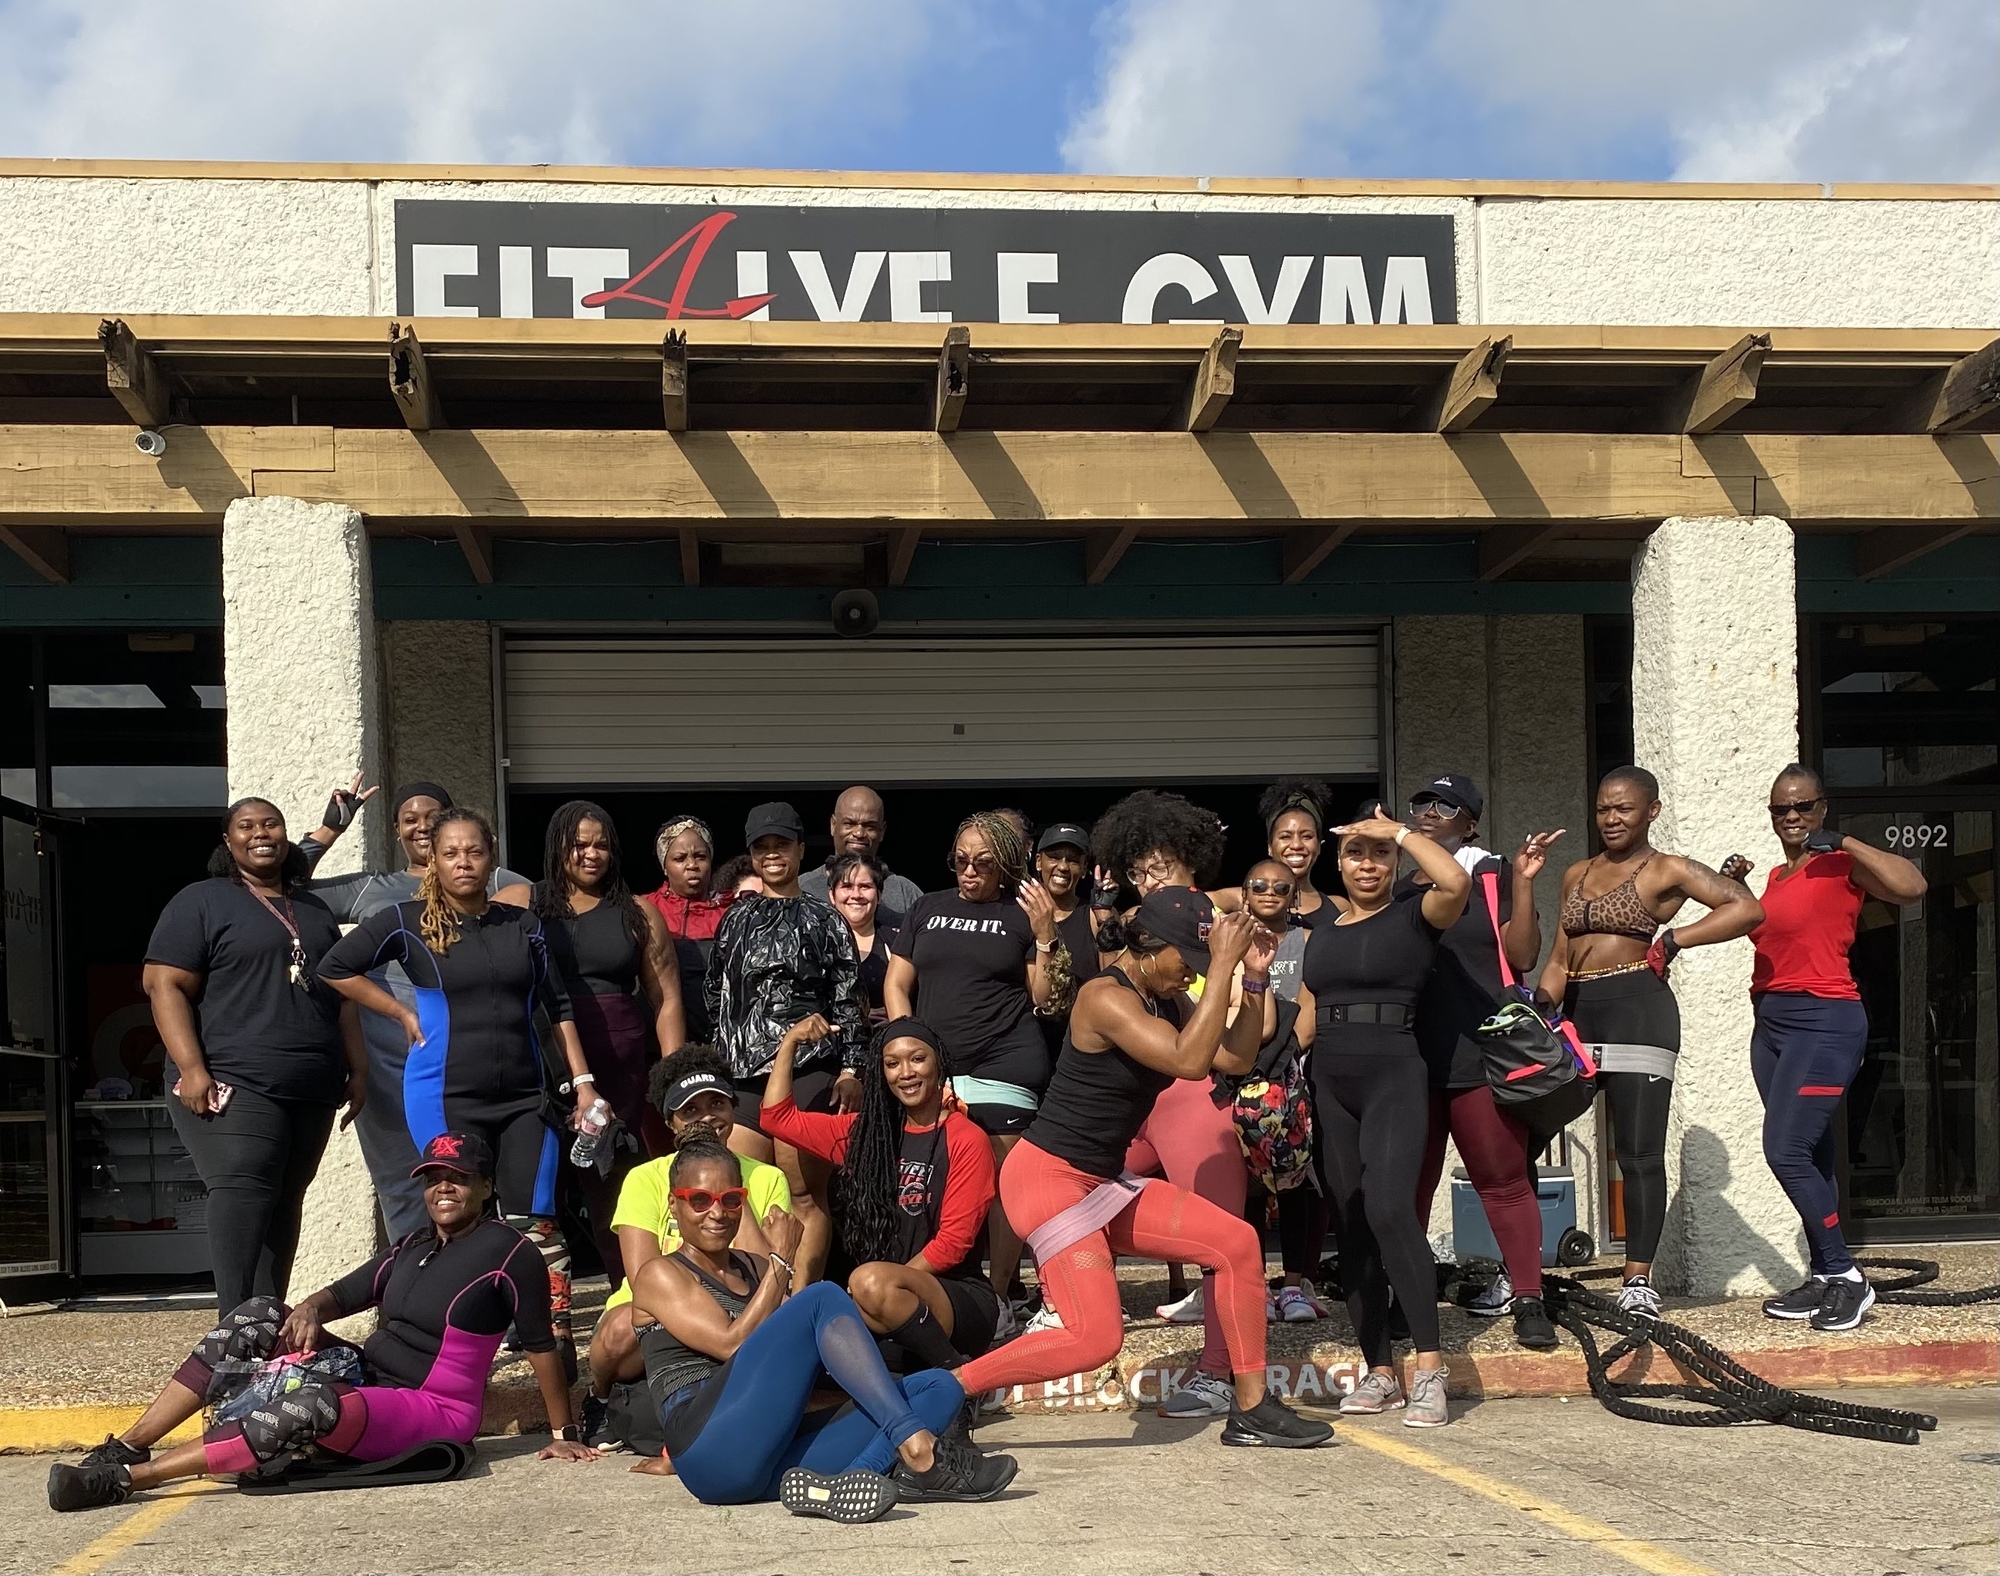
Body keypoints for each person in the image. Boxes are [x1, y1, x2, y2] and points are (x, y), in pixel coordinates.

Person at [952, 891, 1331, 1450]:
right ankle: (950, 1389)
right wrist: (1221, 965)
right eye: (1188, 962)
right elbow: (1189, 1062)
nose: (1192, 975)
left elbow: (1233, 1058)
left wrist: (1252, 979)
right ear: (1148, 948)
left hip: (1100, 1182)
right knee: (1094, 1339)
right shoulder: (1103, 997)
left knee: (1238, 1243)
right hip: (1048, 1179)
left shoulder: (1165, 999)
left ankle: (1251, 1407)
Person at [49, 1131, 594, 1513]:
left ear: (487, 1187)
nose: (443, 1188)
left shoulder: (510, 1252)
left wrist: (562, 1433)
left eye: (459, 1177)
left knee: (314, 1405)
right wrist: (309, 1310)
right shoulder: (412, 1245)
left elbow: (541, 1346)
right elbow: (340, 1294)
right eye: (434, 1178)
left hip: (433, 1407)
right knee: (260, 1314)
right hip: (366, 1377)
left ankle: (125, 1480)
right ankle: (130, 1445)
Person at [318, 807, 598, 1358]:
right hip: (444, 1097)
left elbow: (558, 1006)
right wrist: (398, 1011)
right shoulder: (406, 921)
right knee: (456, 1215)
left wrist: (584, 1083)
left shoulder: (523, 925)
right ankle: (449, 1340)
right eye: (450, 853)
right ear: (433, 862)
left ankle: (551, 1338)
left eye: (474, 851)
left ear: (491, 859)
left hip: (525, 1096)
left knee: (537, 1215)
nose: (463, 862)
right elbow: (334, 968)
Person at [623, 1132, 1016, 1518]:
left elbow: (811, 1352)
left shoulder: (755, 1268)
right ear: (673, 1204)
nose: (717, 1213)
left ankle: (850, 1478)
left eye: (730, 1200)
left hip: (768, 1459)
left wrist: (876, 1379)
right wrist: (782, 1260)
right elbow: (731, 1344)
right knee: (823, 1295)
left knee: (939, 1386)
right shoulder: (660, 1274)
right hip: (708, 1453)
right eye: (699, 1200)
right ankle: (916, 1449)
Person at [1541, 766, 1764, 1319]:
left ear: (1652, 811)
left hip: (1639, 1011)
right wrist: (1538, 1009)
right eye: (1603, 809)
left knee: (1638, 1153)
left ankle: (1637, 1280)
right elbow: (1560, 958)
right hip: (1577, 1016)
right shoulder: (1576, 872)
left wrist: (1676, 939)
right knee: (1524, 1139)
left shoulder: (1667, 868)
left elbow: (1745, 908)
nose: (1611, 818)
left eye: (1624, 808)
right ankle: (1521, 1275)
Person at [142, 798, 367, 1314]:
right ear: (228, 840)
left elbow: (343, 997)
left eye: (271, 824)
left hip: (312, 1085)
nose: (261, 833)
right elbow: (163, 984)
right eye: (246, 826)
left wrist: (360, 1069)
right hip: (233, 1079)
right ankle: (231, 1328)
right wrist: (192, 1069)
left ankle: (262, 1324)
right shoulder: (201, 901)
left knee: (285, 1198)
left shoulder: (311, 908)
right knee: (244, 1185)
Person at [1293, 804, 1472, 1427]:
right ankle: (1380, 1371)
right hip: (1330, 1081)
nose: (1367, 864)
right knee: (1350, 1221)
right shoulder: (1322, 933)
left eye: (1380, 855)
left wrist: (1399, 831)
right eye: (1355, 853)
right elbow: (1308, 1014)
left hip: (1394, 1075)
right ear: (1338, 864)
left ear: (1396, 861)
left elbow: (1456, 880)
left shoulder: (1416, 915)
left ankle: (1430, 1369)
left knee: (1391, 1208)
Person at [300, 779, 528, 1240]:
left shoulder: (496, 883)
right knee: (404, 1183)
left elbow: (526, 912)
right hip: (388, 1067)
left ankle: (483, 1276)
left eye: (432, 817)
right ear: (397, 830)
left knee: (474, 1180)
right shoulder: (373, 889)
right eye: (409, 819)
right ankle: (413, 1279)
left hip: (467, 1063)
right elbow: (285, 885)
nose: (421, 827)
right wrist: (329, 831)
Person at [1749, 764, 1926, 1334]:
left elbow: (1913, 887)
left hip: (1825, 1022)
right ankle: (1826, 1272)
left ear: (1822, 808)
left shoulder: (1842, 863)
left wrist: (1846, 841)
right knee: (1813, 1152)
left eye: (1803, 806)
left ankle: (1848, 1276)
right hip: (1771, 1024)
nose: (1792, 816)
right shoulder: (1777, 876)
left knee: (1785, 1150)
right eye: (1781, 808)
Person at [1401, 775, 1568, 1352]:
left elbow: (1522, 955)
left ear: (1469, 823)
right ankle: (1408, 1297)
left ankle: (1528, 1299)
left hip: (1482, 1054)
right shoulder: (1398, 889)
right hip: (1414, 1058)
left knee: (1503, 1180)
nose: (1428, 811)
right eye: (1422, 802)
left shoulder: (1494, 874)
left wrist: (1524, 882)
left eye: (1445, 805)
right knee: (1411, 1185)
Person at [499, 800, 686, 1287]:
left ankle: (632, 1296)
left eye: (601, 844)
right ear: (557, 845)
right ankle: (536, 1305)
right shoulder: (521, 901)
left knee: (613, 1185)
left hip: (618, 1063)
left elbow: (665, 998)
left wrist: (673, 1075)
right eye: (579, 844)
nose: (591, 854)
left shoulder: (638, 912)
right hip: (540, 1059)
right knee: (537, 1185)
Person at [884, 811, 1059, 1314]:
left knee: (1005, 1185)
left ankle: (999, 1297)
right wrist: (910, 1046)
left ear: (1003, 863)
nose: (969, 871)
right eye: (960, 860)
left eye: (982, 862)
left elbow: (1045, 998)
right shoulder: (927, 907)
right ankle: (932, 1288)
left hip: (1004, 1060)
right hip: (934, 1068)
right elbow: (897, 983)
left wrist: (1045, 932)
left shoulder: (1020, 913)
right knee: (929, 1179)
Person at [764, 1014, 1001, 1370]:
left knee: (867, 1283)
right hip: (878, 1301)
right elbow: (776, 1119)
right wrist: (789, 1044)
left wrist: (886, 1286)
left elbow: (953, 1243)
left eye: (917, 1059)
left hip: (957, 1299)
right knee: (805, 1340)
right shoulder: (867, 1134)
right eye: (892, 1064)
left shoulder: (967, 1139)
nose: (906, 1073)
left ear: (938, 1063)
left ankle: (959, 1377)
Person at [581, 1046, 791, 1442]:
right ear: (670, 1122)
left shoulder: (766, 1178)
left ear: (733, 1110)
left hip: (735, 1304)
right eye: (690, 1110)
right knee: (620, 1328)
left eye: (717, 1104)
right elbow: (643, 1277)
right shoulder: (645, 1178)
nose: (706, 1117)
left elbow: (764, 1274)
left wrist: (729, 1183)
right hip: (663, 1311)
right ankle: (600, 1398)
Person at [706, 801, 867, 1286]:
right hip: (744, 1075)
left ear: (800, 850)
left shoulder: (826, 919)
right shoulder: (734, 919)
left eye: (782, 845)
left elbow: (848, 1000)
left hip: (807, 1072)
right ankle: (757, 1300)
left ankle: (803, 1299)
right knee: (740, 1195)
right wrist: (719, 1065)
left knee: (803, 1196)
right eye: (762, 847)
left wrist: (851, 1069)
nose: (773, 854)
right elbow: (715, 995)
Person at [1239, 857, 1329, 1323]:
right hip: (1237, 1070)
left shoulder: (1308, 941)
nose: (1269, 893)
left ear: (1294, 896)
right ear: (1244, 893)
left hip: (1289, 1072)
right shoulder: (1229, 937)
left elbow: (1309, 1012)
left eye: (1281, 887)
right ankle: (1251, 1284)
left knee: (1293, 1181)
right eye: (1259, 885)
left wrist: (1279, 1056)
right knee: (1248, 1185)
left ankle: (1294, 1285)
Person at [642, 816, 738, 1044]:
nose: (692, 865)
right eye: (680, 858)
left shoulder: (734, 912)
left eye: (700, 856)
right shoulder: (645, 910)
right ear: (664, 865)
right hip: (658, 1041)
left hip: (721, 1039)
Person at [800, 786, 924, 916]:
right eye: (849, 824)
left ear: (882, 831)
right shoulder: (803, 888)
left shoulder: (905, 893)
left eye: (870, 826)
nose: (859, 833)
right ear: (833, 825)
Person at [825, 851, 899, 1018]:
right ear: (832, 895)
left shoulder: (896, 942)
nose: (856, 895)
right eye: (846, 886)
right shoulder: (816, 943)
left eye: (865, 886)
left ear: (879, 895)